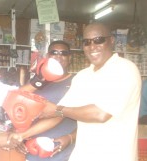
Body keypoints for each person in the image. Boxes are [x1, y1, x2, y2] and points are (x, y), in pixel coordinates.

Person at [39, 22, 141, 161]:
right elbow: (59, 112)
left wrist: (58, 110)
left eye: (98, 40)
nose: (92, 47)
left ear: (111, 41)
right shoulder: (82, 76)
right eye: (87, 42)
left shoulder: (124, 69)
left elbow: (100, 114)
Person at [25, 40, 77, 161]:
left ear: (69, 58)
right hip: (33, 152)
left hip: (63, 152)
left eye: (63, 53)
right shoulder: (38, 81)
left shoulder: (77, 82)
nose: (59, 56)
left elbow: (86, 118)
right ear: (48, 56)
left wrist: (71, 137)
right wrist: (21, 139)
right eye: (54, 52)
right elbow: (20, 105)